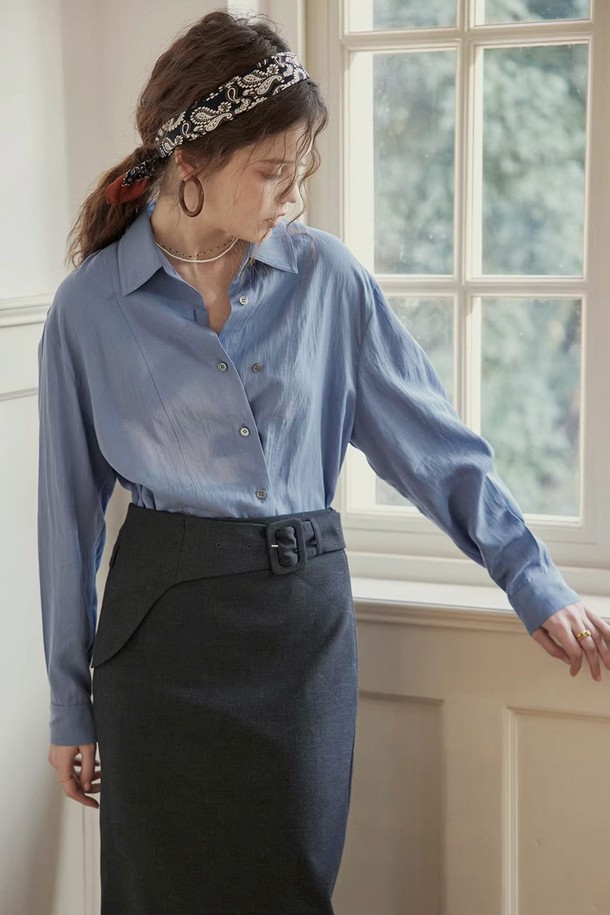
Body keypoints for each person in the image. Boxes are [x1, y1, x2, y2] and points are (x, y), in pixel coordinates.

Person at [37, 9, 610, 915]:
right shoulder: (88, 308)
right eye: (271, 172)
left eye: (298, 171)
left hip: (297, 635)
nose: (291, 197)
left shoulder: (330, 281)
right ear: (191, 164)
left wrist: (530, 576)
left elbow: (434, 448)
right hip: (157, 644)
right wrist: (71, 702)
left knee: (290, 888)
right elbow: (65, 521)